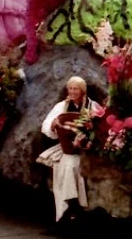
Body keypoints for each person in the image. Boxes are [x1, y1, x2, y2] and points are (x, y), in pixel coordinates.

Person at [37, 77, 101, 223]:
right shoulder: (61, 107)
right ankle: (69, 206)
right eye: (70, 88)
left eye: (75, 89)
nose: (72, 92)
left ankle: (76, 206)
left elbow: (101, 127)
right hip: (67, 148)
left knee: (74, 166)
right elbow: (45, 126)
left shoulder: (92, 106)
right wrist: (53, 125)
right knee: (67, 165)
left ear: (82, 91)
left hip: (87, 149)